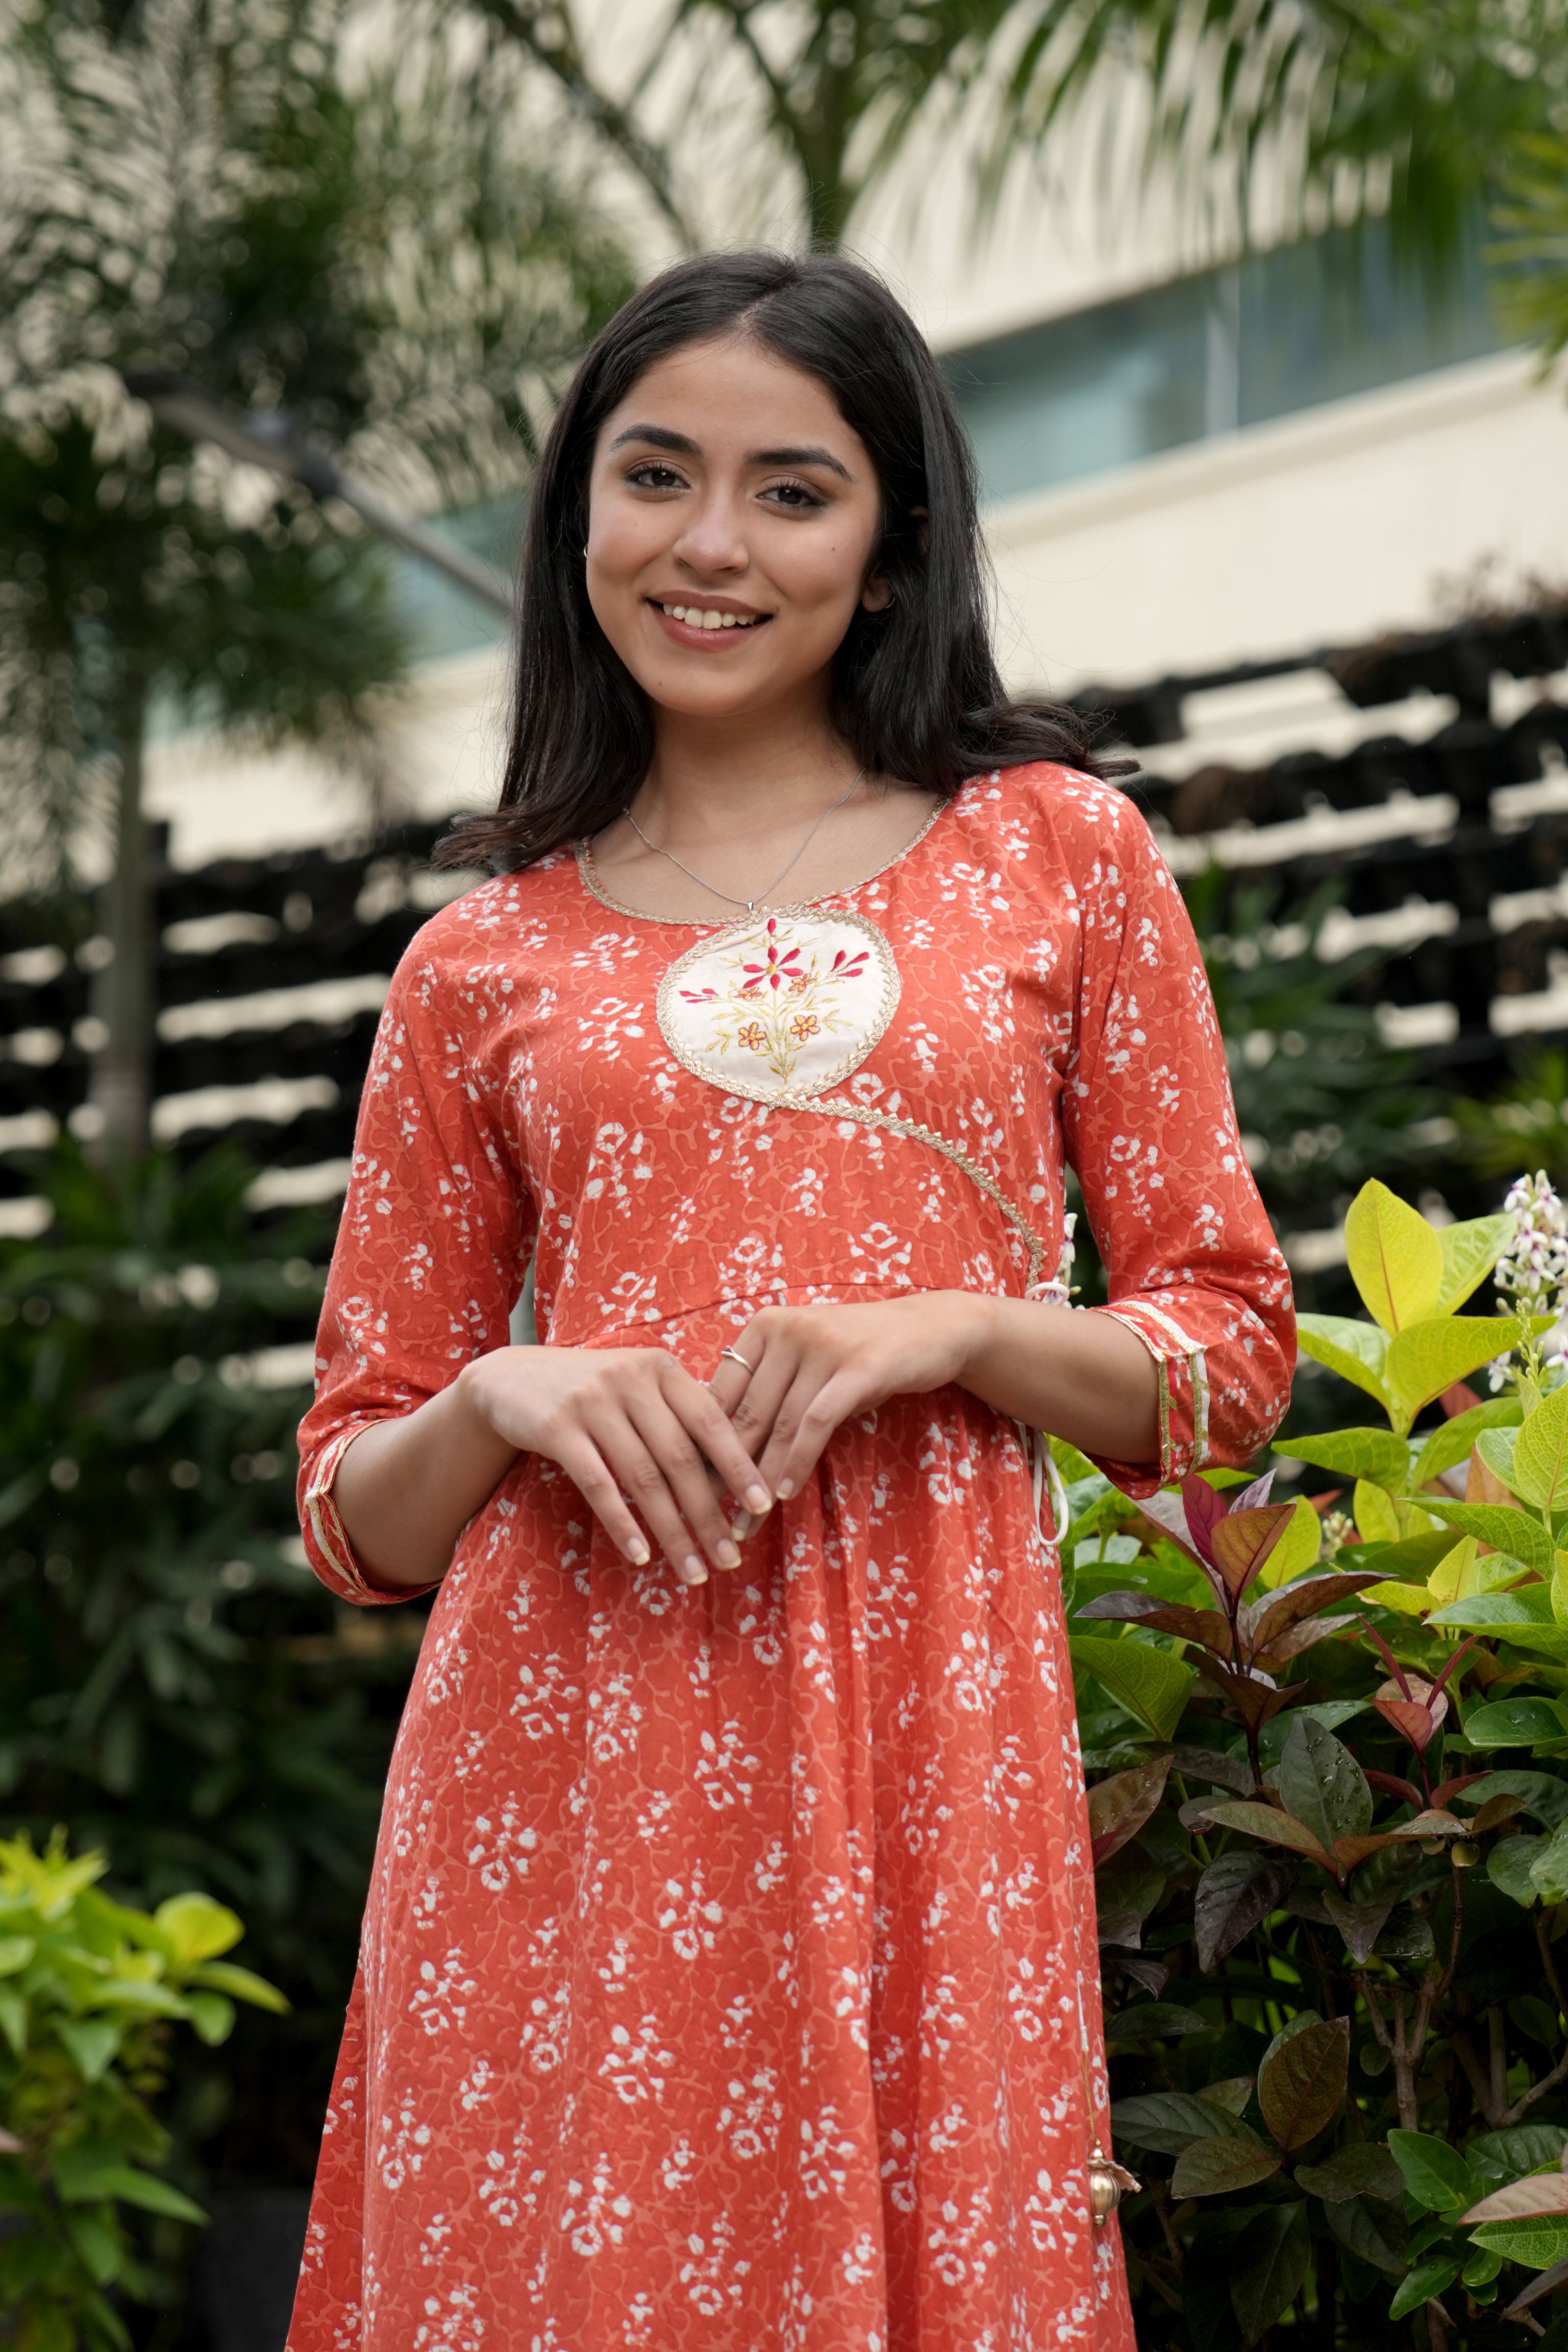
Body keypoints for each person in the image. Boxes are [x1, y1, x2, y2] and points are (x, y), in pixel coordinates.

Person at [286, 249, 1293, 2352]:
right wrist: (508, 1399)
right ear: (580, 515)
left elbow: (1228, 1355)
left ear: (893, 535)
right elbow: (352, 1512)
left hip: (928, 1744)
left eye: (791, 489)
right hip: (568, 1751)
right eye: (657, 477)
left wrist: (958, 1330)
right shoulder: (474, 966)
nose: (710, 546)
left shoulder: (1059, 858)